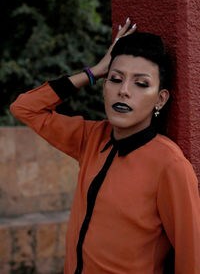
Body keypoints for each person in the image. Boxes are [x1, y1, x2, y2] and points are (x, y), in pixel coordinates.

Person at [10, 18, 200, 274]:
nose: (123, 91)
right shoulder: (91, 137)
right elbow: (24, 108)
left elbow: (192, 259)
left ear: (160, 99)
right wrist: (93, 71)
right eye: (115, 79)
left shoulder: (170, 166)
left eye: (141, 83)